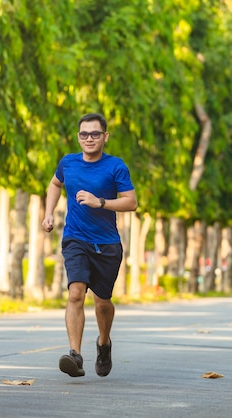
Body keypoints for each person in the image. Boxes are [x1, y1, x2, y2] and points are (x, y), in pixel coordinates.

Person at [42, 113, 137, 378]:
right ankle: (75, 355)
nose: (89, 139)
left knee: (102, 301)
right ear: (78, 137)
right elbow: (54, 183)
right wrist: (49, 213)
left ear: (105, 137)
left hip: (107, 243)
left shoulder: (116, 166)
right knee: (75, 294)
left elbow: (131, 202)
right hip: (75, 238)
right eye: (84, 134)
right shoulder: (68, 163)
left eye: (95, 134)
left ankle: (104, 343)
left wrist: (101, 202)